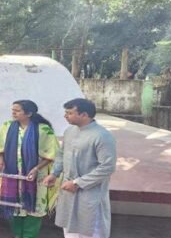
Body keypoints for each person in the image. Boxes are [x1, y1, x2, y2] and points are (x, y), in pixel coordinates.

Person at [42, 98, 117, 238]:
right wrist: (54, 173)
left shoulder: (102, 136)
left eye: (69, 113)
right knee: (70, 231)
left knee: (90, 230)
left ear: (84, 115)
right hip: (68, 190)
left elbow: (107, 167)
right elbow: (61, 154)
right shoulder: (69, 131)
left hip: (89, 192)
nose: (65, 116)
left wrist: (78, 183)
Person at [0, 100, 61, 238]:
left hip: (35, 176)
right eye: (12, 110)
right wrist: (1, 163)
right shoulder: (7, 126)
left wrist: (36, 168)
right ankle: (17, 235)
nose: (13, 113)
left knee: (34, 208)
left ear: (29, 113)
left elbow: (52, 155)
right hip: (12, 175)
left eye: (17, 110)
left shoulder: (43, 129)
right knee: (14, 207)